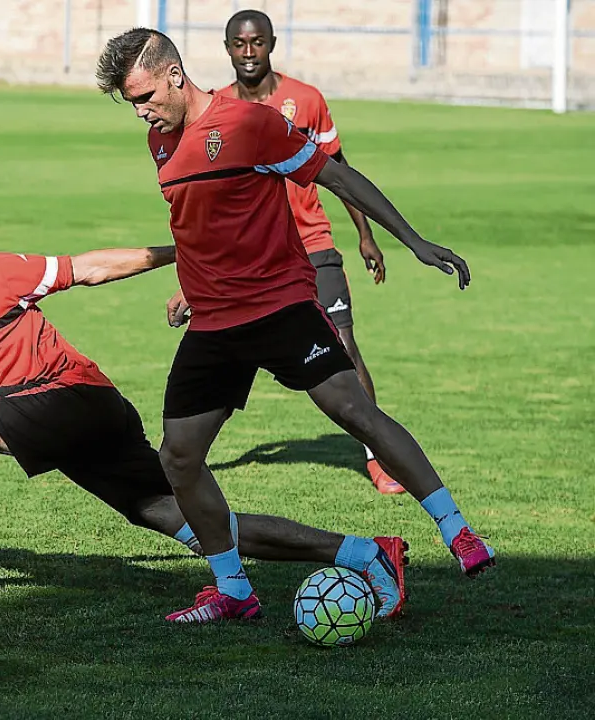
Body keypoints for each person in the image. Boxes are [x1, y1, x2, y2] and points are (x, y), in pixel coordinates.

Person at [96, 28, 496, 624]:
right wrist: (189, 284)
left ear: (175, 75)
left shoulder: (250, 125)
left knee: (353, 410)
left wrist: (412, 241)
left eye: (146, 96)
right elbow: (199, 223)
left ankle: (457, 530)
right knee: (179, 459)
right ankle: (234, 589)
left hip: (280, 305)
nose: (141, 111)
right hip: (215, 323)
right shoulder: (159, 141)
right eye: (131, 103)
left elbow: (339, 177)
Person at [0, 220, 406, 618]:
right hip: (65, 432)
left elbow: (90, 268)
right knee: (195, 524)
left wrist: (179, 254)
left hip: (78, 397)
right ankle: (365, 552)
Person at [170, 9, 401, 493]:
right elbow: (203, 212)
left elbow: (338, 169)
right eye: (239, 44)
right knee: (226, 362)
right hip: (251, 265)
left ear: (272, 43)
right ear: (227, 48)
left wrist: (365, 235)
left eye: (257, 42)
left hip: (313, 246)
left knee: (344, 347)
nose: (248, 52)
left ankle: (378, 458)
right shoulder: (214, 110)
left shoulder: (307, 100)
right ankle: (185, 462)